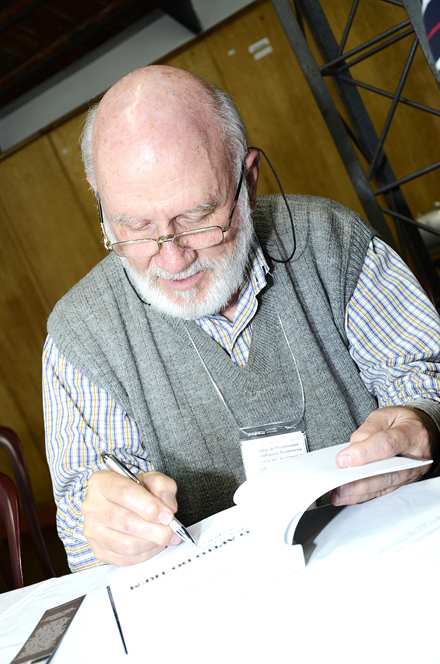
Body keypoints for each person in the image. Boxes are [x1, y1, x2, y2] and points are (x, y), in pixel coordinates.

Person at [43, 65, 440, 572]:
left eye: (196, 217)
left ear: (248, 183)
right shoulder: (80, 336)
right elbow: (86, 526)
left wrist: (421, 419)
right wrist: (107, 528)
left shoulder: (333, 242)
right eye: (135, 227)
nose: (171, 258)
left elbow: (422, 377)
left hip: (395, 564)